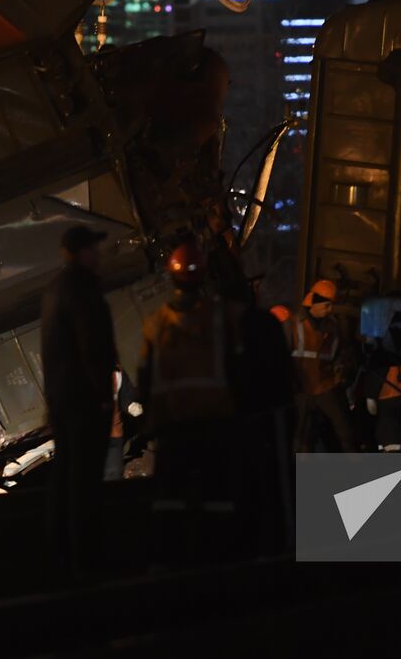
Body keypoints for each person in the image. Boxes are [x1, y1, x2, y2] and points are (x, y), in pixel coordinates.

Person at [139, 239, 241, 564]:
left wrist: (150, 419)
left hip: (173, 424)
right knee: (217, 493)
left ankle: (169, 560)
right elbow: (236, 367)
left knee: (169, 494)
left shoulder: (156, 323)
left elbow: (145, 377)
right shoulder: (219, 318)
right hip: (214, 419)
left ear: (171, 278)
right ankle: (220, 556)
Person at [40, 224, 119, 574]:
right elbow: (93, 344)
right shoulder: (82, 289)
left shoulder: (54, 289)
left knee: (67, 475)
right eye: (93, 249)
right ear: (82, 252)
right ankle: (86, 557)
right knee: (85, 482)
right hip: (85, 401)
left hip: (63, 400)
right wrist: (104, 395)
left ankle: (60, 551)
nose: (98, 255)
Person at [286, 279, 358, 452]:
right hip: (301, 388)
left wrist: (342, 372)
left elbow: (343, 353)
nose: (329, 310)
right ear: (313, 303)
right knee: (301, 438)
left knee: (344, 433)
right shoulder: (294, 324)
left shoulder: (333, 327)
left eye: (331, 305)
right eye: (326, 305)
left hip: (325, 386)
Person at [104, 369, 143, 481]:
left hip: (115, 433)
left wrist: (130, 405)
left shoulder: (118, 372)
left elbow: (125, 392)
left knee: (114, 472)